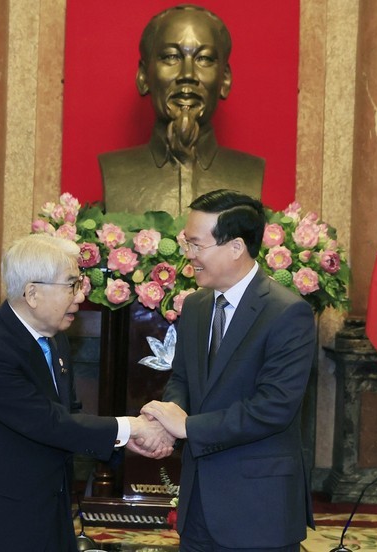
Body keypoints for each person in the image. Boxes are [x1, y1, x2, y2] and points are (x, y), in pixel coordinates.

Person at [0, 234, 174, 551]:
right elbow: (47, 422)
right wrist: (130, 426)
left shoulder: (53, 338)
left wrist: (126, 438)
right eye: (71, 285)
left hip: (49, 509)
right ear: (33, 293)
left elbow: (70, 415)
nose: (81, 296)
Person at [142, 189, 316, 551]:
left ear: (236, 247)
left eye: (196, 245)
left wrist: (187, 426)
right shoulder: (196, 306)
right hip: (199, 506)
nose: (189, 256)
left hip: (258, 508)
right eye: (187, 244)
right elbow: (184, 380)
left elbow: (274, 408)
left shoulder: (287, 313)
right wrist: (165, 420)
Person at [100, 4, 264, 215]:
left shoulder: (249, 172)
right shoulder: (115, 171)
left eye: (204, 59)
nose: (188, 74)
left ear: (225, 79)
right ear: (143, 76)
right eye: (171, 57)